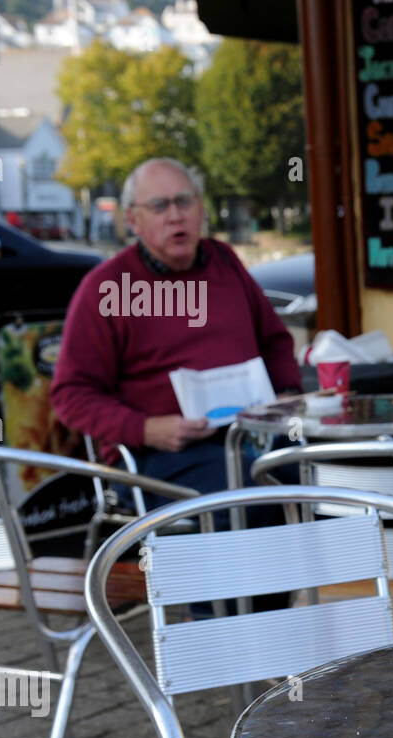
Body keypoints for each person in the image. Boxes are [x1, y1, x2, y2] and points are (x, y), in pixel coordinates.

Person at [51, 157, 301, 508]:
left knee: (322, 473)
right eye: (159, 206)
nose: (175, 215)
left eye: (184, 201)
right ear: (133, 220)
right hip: (156, 454)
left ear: (201, 208)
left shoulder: (224, 261)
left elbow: (274, 342)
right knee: (251, 494)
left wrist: (287, 394)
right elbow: (71, 394)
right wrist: (147, 429)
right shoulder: (105, 288)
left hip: (247, 434)